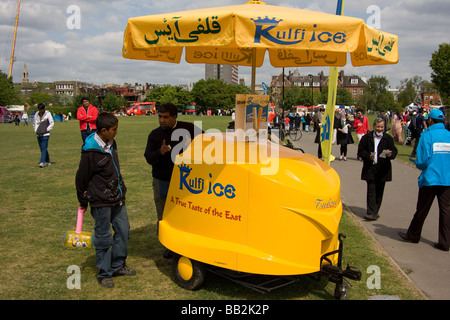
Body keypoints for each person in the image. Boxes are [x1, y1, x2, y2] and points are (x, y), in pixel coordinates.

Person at [76, 112, 135, 288]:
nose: (116, 132)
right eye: (114, 129)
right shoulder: (90, 151)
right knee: (103, 237)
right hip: (100, 201)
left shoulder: (111, 143)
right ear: (103, 130)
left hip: (117, 198)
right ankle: (104, 273)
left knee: (123, 231)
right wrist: (83, 200)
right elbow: (81, 178)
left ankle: (118, 266)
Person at [144, 102, 203, 258]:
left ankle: (185, 244)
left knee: (184, 214)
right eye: (160, 117)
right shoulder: (154, 135)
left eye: (166, 117)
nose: (162, 120)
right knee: (164, 215)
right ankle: (168, 246)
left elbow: (209, 141)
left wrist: (195, 145)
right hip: (162, 180)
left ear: (174, 117)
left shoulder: (189, 129)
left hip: (185, 182)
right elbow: (148, 158)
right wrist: (160, 152)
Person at [398, 109, 450, 251]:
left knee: (422, 208)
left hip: (431, 178)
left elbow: (422, 161)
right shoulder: (448, 135)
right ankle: (445, 242)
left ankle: (413, 235)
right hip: (447, 179)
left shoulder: (426, 135)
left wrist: (416, 163)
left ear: (430, 120)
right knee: (446, 210)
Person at [358, 117, 398, 220]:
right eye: (378, 127)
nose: (380, 129)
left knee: (379, 192)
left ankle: (375, 211)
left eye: (382, 127)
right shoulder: (366, 138)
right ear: (374, 126)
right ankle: (370, 212)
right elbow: (361, 151)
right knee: (371, 190)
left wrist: (391, 154)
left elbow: (394, 150)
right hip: (370, 168)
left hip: (383, 169)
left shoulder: (388, 138)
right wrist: (367, 156)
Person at [33, 103, 54, 168]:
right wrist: (35, 130)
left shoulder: (48, 114)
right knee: (42, 148)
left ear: (44, 109)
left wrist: (47, 129)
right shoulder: (36, 114)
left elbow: (52, 123)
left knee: (44, 147)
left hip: (45, 134)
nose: (40, 111)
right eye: (39, 109)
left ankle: (42, 162)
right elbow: (34, 123)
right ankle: (48, 161)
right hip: (38, 134)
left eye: (41, 109)